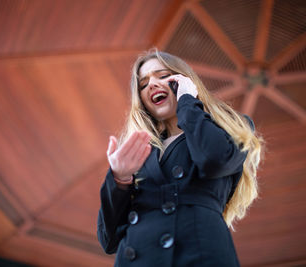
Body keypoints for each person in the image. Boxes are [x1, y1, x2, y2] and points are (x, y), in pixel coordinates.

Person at [97, 49, 263, 267]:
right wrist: (119, 179)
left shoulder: (230, 126)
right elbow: (109, 240)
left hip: (198, 254)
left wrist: (187, 100)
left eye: (163, 75)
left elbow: (214, 161)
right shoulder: (140, 150)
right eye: (143, 84)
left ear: (186, 80)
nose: (152, 85)